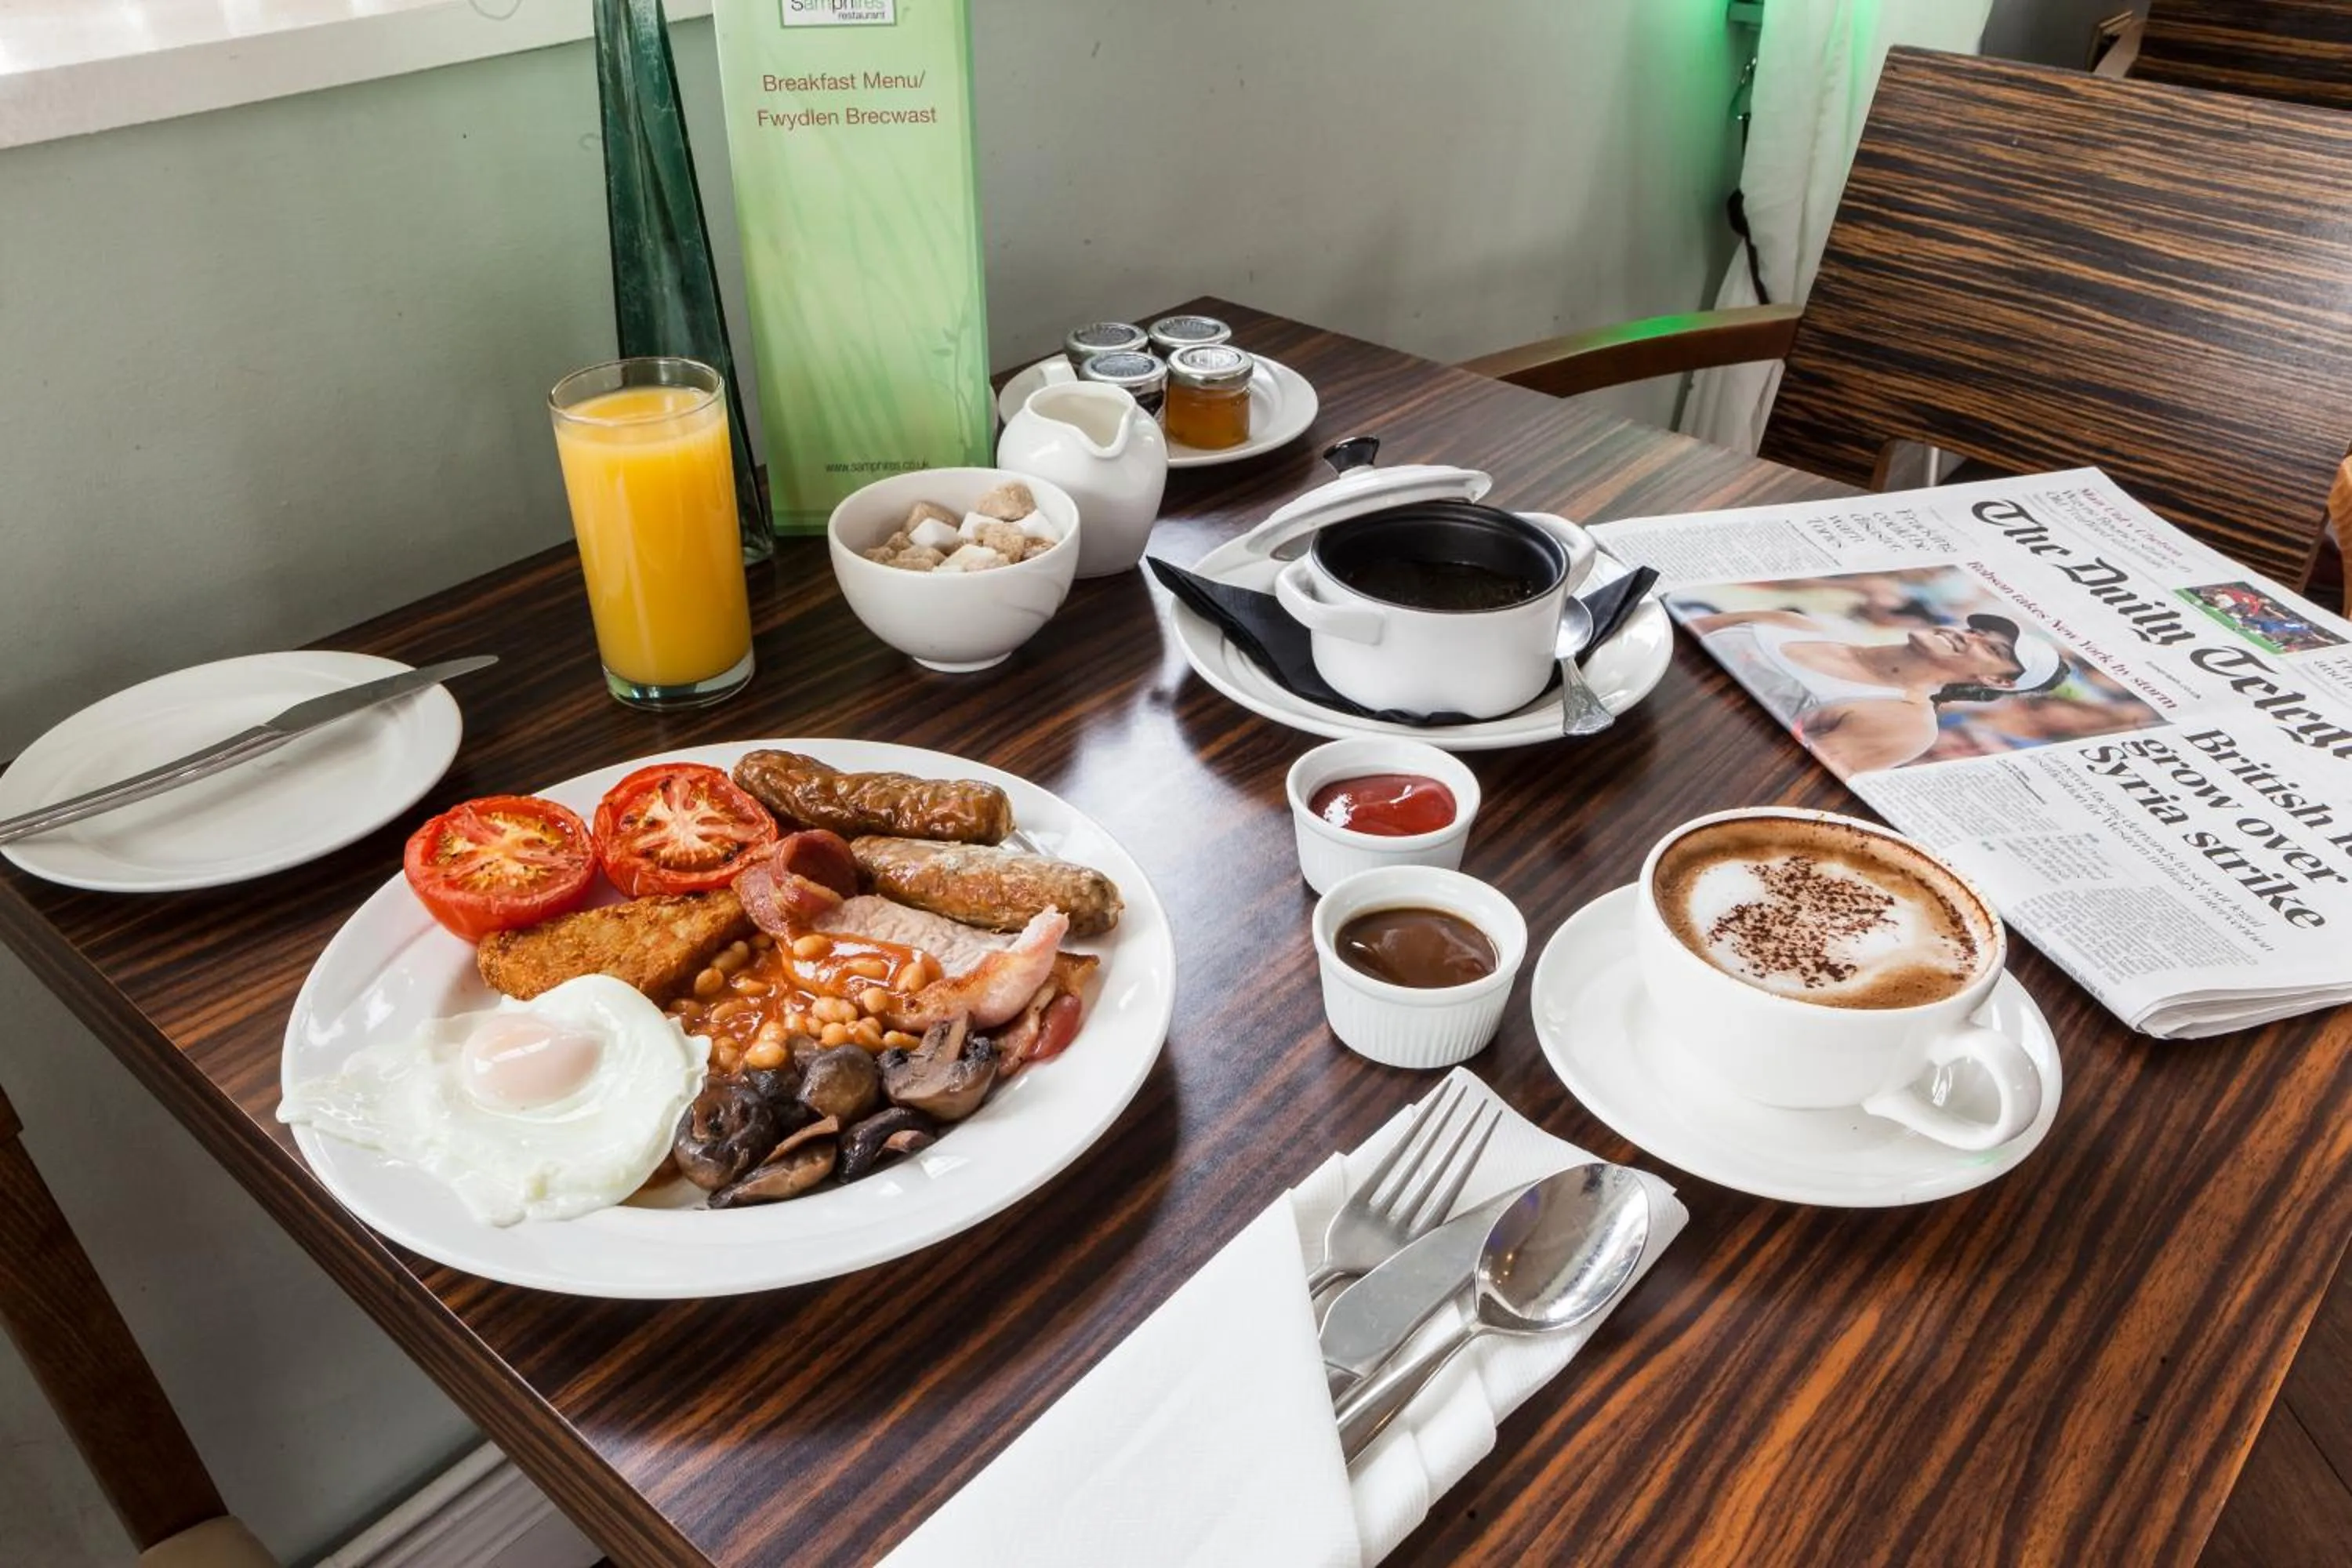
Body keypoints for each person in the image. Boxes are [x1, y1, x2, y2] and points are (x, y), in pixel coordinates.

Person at [1689, 607, 2067, 775]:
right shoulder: (1791, 622)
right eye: (1975, 631)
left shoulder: (1905, 723)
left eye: (1992, 650)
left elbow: (1771, 777)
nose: (1966, 637)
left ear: (1999, 681)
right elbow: (1668, 630)